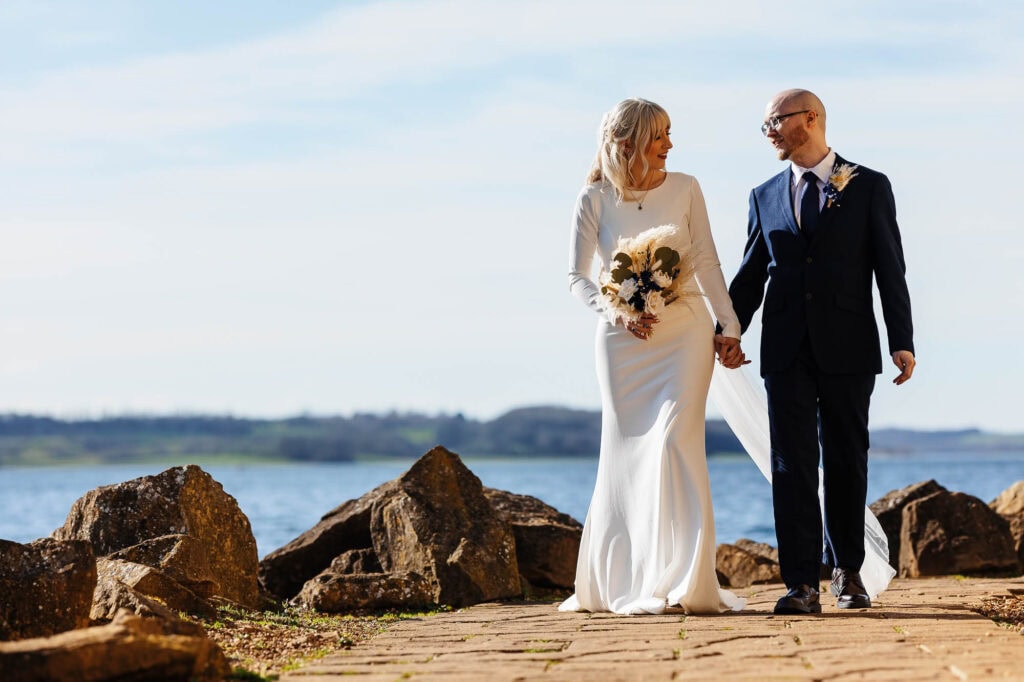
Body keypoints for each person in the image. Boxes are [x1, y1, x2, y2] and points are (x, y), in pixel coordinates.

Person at [726, 89, 915, 615]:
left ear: (809, 120)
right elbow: (749, 275)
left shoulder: (869, 185)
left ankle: (848, 573)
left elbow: (889, 269)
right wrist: (728, 331)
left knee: (846, 459)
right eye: (764, 125)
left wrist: (902, 339)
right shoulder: (762, 195)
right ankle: (800, 584)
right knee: (791, 465)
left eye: (774, 122)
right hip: (784, 349)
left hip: (850, 345)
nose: (768, 132)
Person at [560, 97, 747, 615]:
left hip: (684, 331)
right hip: (622, 342)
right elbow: (576, 275)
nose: (669, 144)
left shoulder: (686, 188)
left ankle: (687, 581)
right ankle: (629, 578)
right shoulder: (593, 198)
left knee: (675, 442)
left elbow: (706, 259)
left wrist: (728, 323)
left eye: (669, 134)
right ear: (629, 143)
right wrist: (613, 312)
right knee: (625, 453)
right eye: (660, 134)